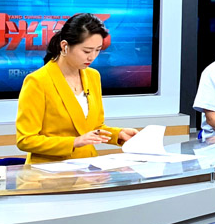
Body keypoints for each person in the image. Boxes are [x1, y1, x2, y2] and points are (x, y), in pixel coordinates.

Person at [15, 13, 138, 164]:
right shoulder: (37, 81)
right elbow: (25, 140)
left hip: (88, 167)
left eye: (98, 50)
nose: (92, 57)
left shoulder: (93, 76)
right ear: (64, 46)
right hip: (48, 170)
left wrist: (118, 134)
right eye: (86, 51)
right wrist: (74, 142)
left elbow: (93, 127)